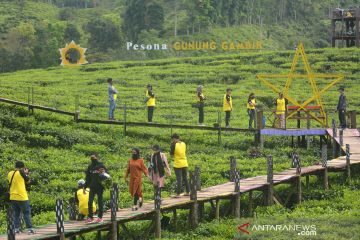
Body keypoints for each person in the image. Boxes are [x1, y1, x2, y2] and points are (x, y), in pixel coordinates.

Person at [7, 161, 35, 234]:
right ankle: (30, 229)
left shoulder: (10, 173)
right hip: (22, 196)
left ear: (15, 166)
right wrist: (26, 173)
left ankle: (16, 229)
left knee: (16, 213)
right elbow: (28, 181)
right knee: (26, 212)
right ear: (22, 167)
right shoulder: (21, 173)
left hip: (13, 196)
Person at [84, 153, 107, 223]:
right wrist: (85, 187)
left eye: (93, 158)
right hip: (92, 187)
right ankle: (90, 217)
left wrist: (103, 173)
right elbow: (87, 178)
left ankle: (100, 217)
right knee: (90, 201)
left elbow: (106, 176)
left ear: (97, 157)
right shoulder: (90, 167)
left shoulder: (101, 165)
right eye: (91, 158)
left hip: (100, 187)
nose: (92, 159)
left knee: (100, 201)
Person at [170, 133, 190, 198]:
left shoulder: (173, 144)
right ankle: (188, 192)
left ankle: (178, 194)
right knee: (185, 178)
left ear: (174, 138)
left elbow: (172, 155)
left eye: (173, 139)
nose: (172, 141)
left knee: (179, 179)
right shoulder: (184, 143)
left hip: (177, 164)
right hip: (184, 163)